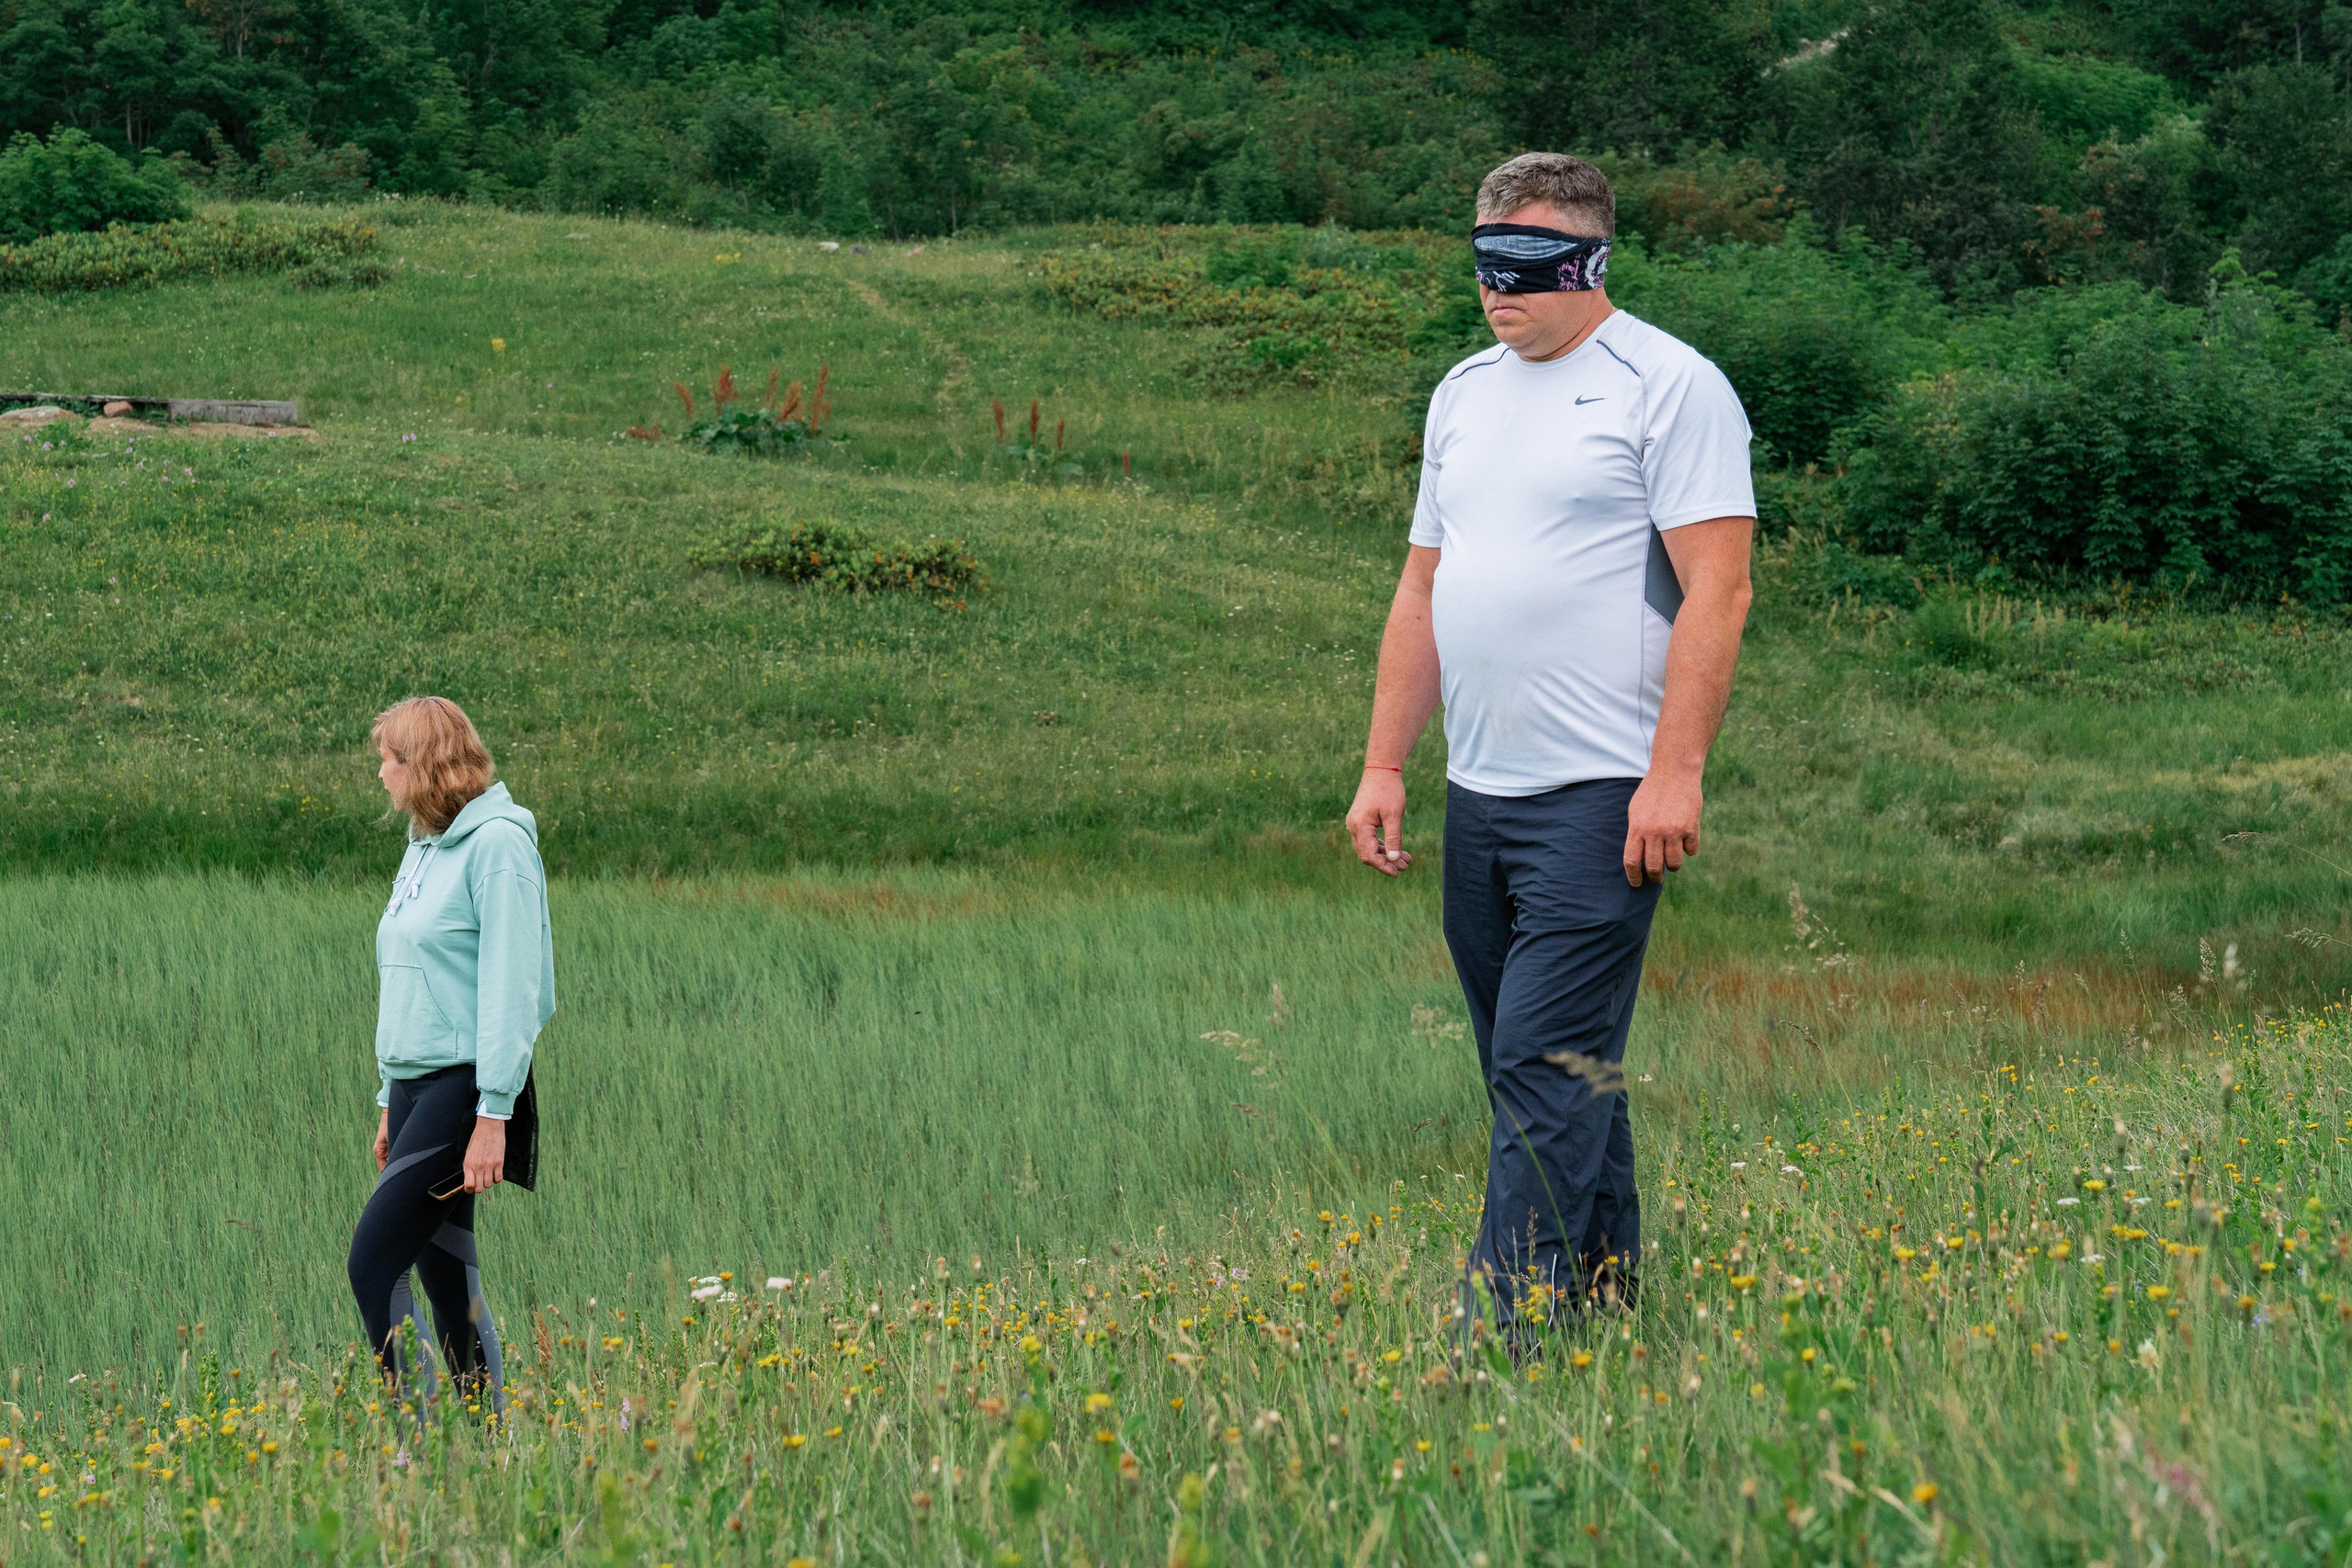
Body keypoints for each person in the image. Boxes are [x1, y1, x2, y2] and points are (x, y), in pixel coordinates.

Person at [1344, 152, 1755, 1337]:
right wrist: (1385, 763)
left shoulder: (1668, 387)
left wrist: (1673, 773)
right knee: (1555, 1073)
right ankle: (1607, 1302)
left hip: (1603, 793)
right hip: (1479, 793)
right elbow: (1422, 590)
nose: (1497, 291)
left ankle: (1501, 1337)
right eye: (1483, 264)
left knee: (1539, 1064)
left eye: (1524, 265)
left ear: (1587, 258)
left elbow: (1716, 591)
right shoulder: (1463, 393)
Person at [348, 695, 553, 1407]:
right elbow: (409, 976)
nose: (381, 772)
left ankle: (422, 1452)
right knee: (444, 1276)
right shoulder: (425, 843)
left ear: (425, 766)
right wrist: (386, 1097)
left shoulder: (498, 846)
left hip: (463, 1088)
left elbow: (513, 987)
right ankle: (486, 1449)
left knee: (374, 1263)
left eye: (391, 759)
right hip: (412, 1087)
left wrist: (494, 1111)